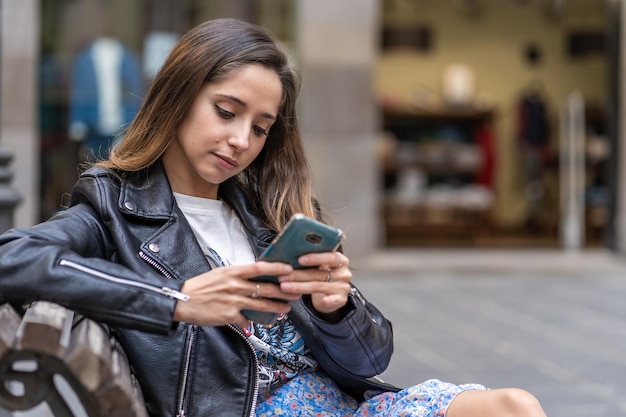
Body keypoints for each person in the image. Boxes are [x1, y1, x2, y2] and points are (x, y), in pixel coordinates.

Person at [0, 18, 547, 417]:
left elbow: (370, 359)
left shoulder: (264, 212)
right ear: (178, 96)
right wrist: (178, 302)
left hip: (347, 405)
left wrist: (337, 310)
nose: (241, 141)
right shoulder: (113, 205)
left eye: (261, 127)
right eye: (226, 111)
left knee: (516, 407)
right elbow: (12, 256)